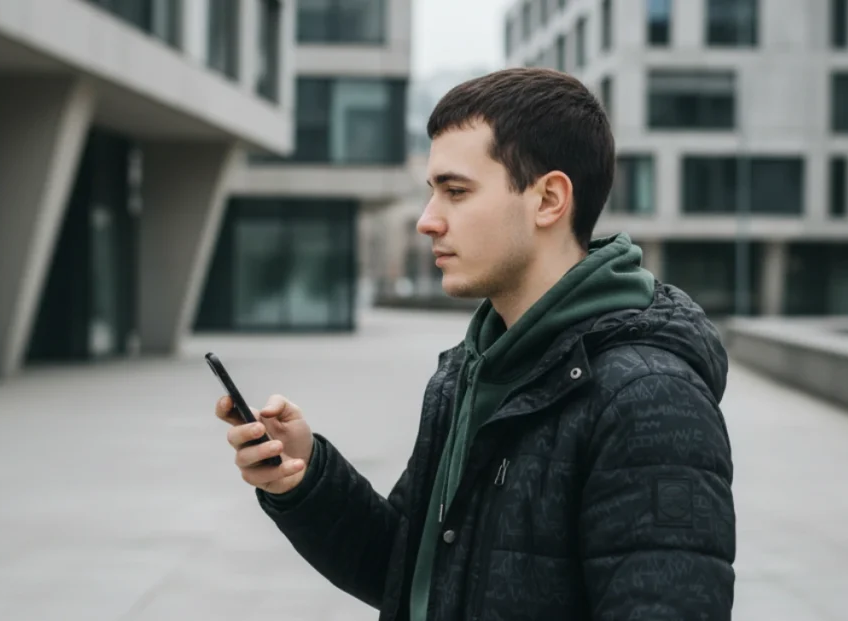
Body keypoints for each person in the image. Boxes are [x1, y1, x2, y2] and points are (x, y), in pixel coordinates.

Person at [216, 67, 736, 620]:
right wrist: (305, 475)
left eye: (456, 192)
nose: (426, 221)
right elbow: (410, 572)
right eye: (431, 192)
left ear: (548, 200)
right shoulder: (472, 370)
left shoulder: (649, 397)